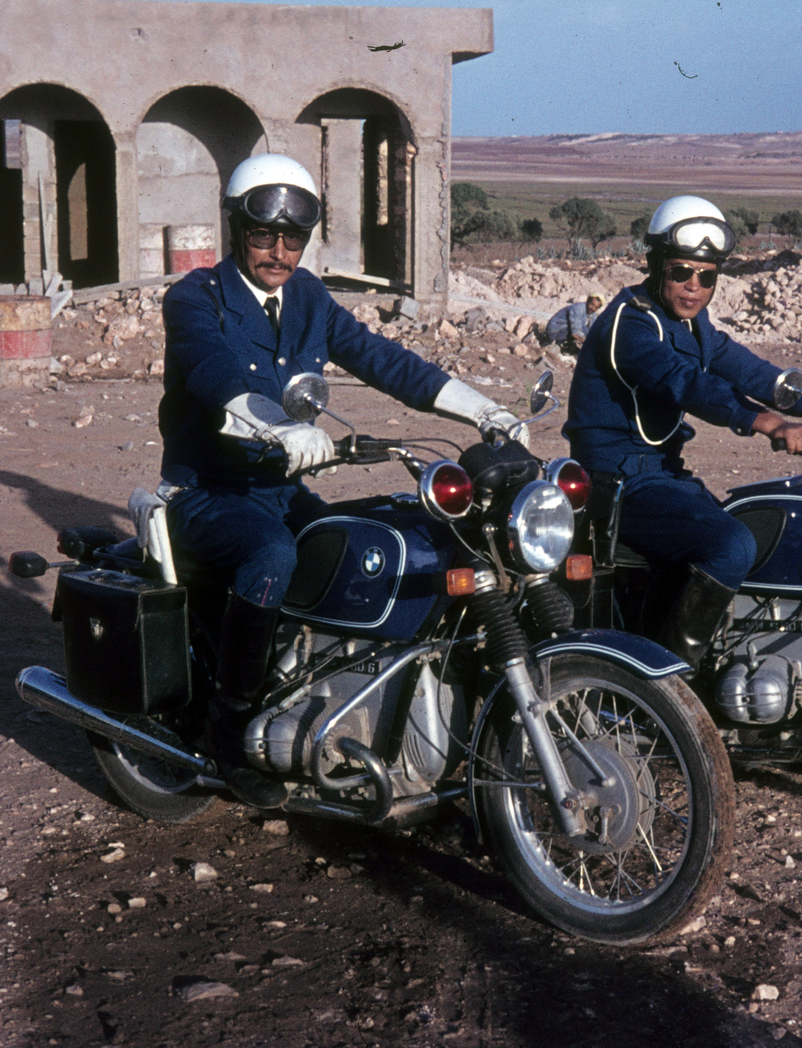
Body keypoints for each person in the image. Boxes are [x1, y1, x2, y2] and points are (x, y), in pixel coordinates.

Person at [159, 153, 522, 808]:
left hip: (281, 491)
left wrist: (481, 409)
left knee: (361, 546)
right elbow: (215, 373)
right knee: (272, 554)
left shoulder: (308, 297)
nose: (279, 251)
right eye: (263, 235)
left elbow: (383, 359)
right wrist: (278, 426)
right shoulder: (196, 297)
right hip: (208, 492)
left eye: (292, 237)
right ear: (237, 230)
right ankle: (228, 725)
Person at [562, 195, 802, 670]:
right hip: (617, 483)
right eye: (681, 272)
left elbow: (746, 368)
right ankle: (670, 683)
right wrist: (768, 423)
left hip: (662, 475)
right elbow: (686, 382)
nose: (694, 286)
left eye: (706, 277)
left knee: (763, 530)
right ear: (656, 265)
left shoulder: (690, 322)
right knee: (732, 546)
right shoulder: (630, 325)